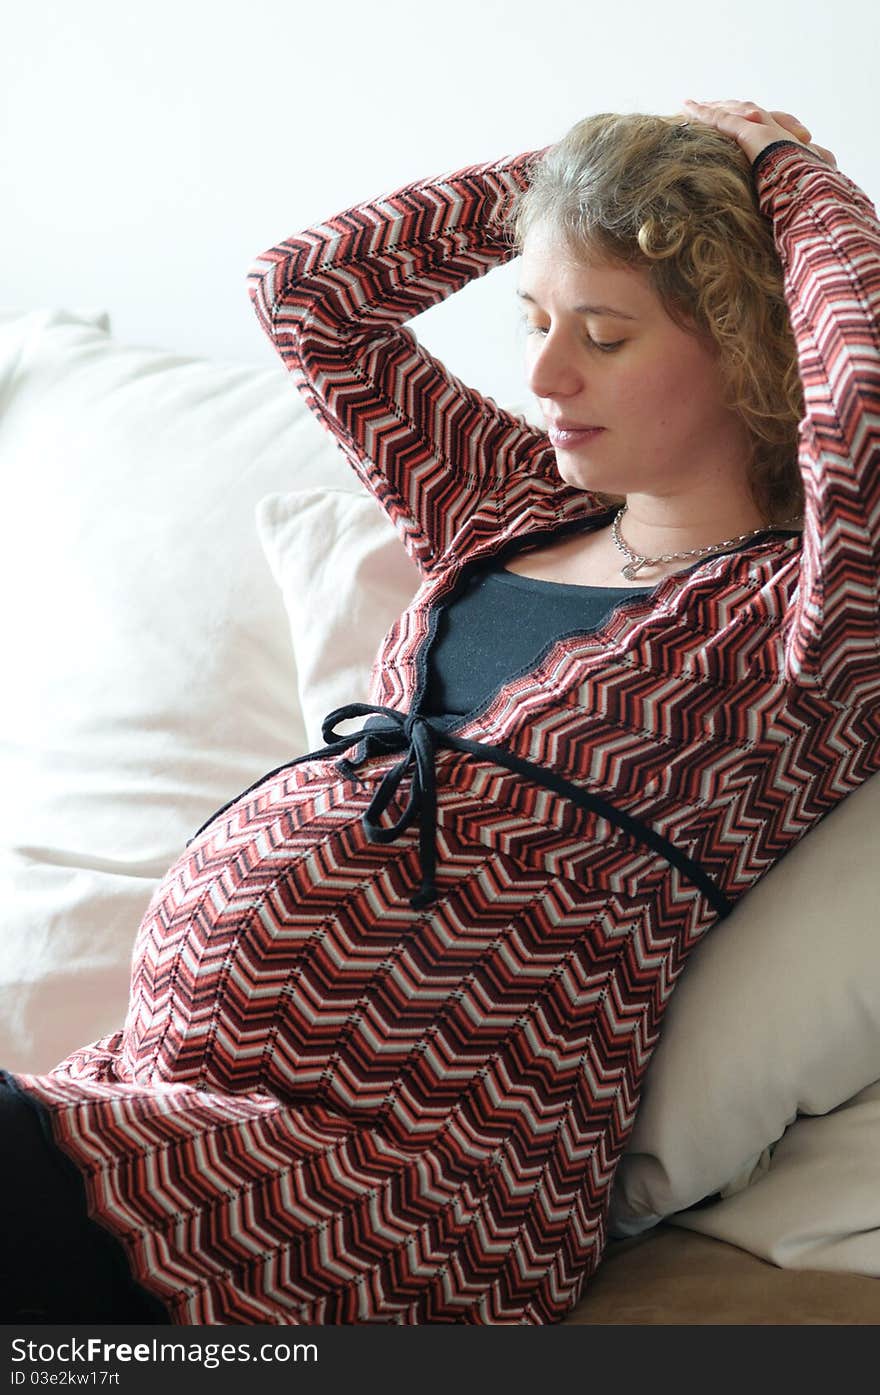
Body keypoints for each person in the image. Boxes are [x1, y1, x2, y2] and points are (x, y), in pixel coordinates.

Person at [2, 98, 876, 1325]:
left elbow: (862, 407)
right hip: (160, 1101)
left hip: (395, 1194)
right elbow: (311, 294)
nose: (544, 375)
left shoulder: (811, 625)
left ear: (745, 342)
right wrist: (614, 172)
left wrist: (779, 176)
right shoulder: (510, 506)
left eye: (606, 334)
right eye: (534, 320)